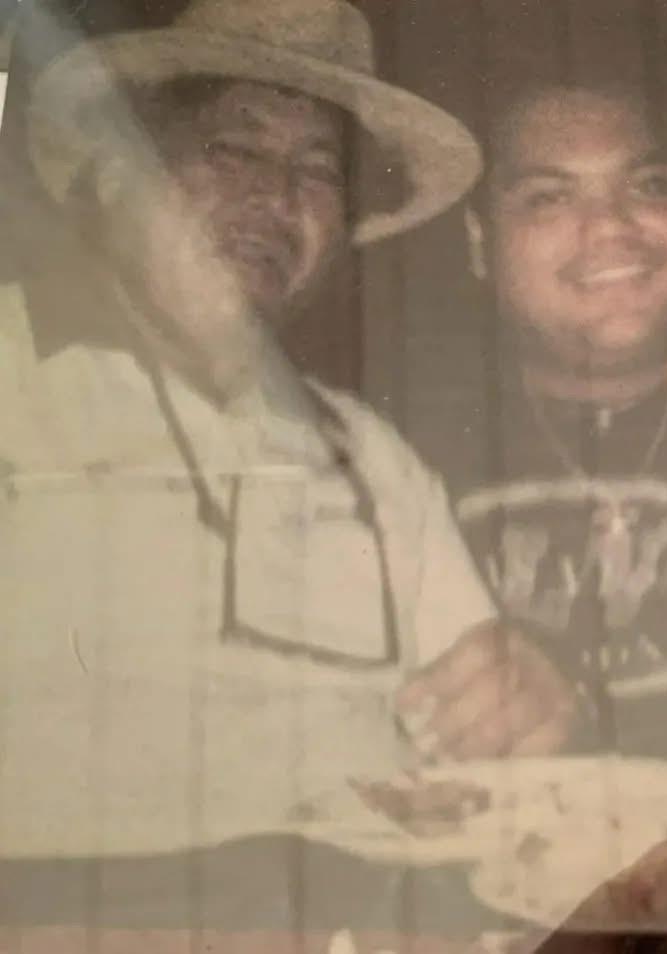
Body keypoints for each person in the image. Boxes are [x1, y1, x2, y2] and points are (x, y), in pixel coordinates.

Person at [0, 0, 571, 928]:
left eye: (318, 170)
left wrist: (524, 706)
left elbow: (482, 751)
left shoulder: (375, 460)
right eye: (232, 148)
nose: (277, 194)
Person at [434, 79, 667, 759]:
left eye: (650, 186)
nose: (611, 226)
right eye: (549, 198)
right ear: (478, 243)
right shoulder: (398, 456)